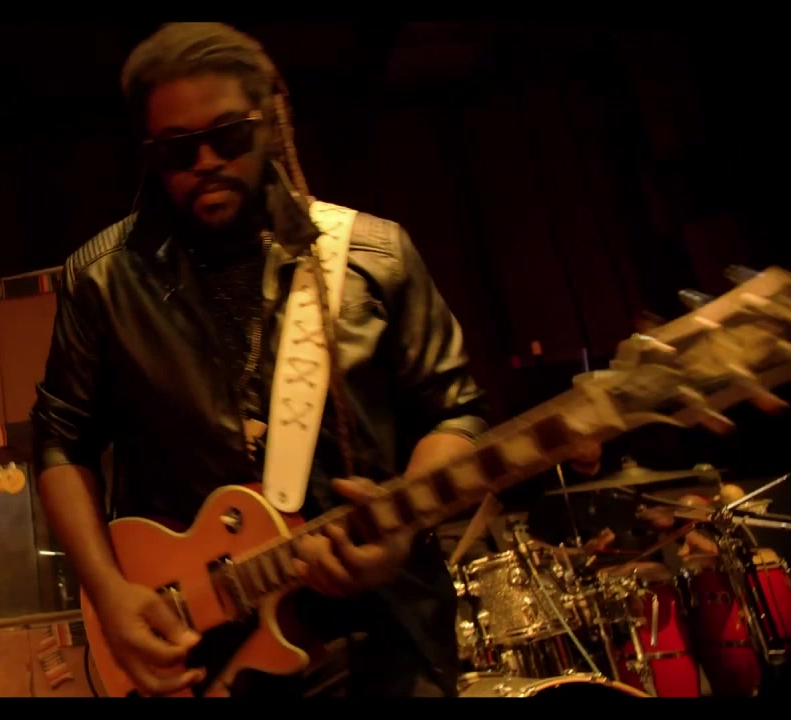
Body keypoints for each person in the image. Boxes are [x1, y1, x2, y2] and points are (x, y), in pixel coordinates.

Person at [31, 23, 490, 698]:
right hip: (209, 654)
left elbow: (456, 414)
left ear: (271, 125)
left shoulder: (375, 255)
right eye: (177, 149)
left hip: (388, 637)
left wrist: (405, 522)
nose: (205, 161)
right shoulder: (101, 281)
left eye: (229, 136)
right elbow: (59, 442)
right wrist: (107, 593)